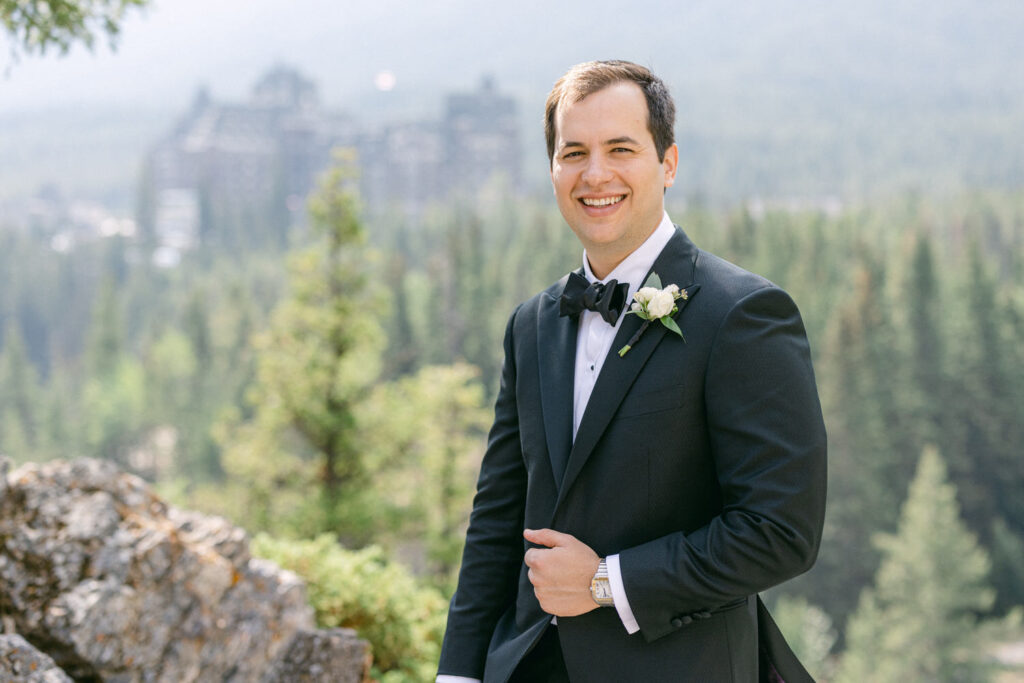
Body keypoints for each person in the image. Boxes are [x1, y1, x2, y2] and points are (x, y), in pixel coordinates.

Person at [436, 60, 827, 683]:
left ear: (668, 163)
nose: (596, 174)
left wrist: (603, 582)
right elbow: (498, 522)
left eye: (621, 148)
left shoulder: (744, 314)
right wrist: (457, 674)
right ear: (553, 170)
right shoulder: (531, 325)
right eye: (574, 153)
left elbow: (781, 532)